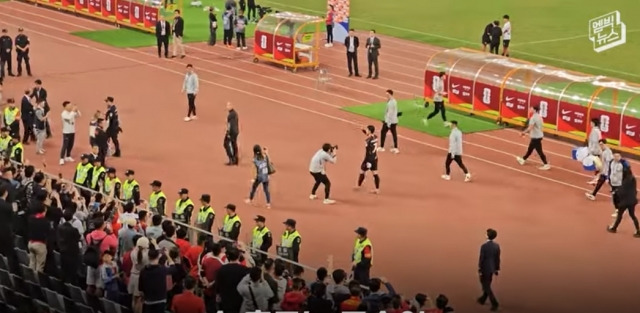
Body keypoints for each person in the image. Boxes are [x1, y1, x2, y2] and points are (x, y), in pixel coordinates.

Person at [607, 166, 640, 237]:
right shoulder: (633, 179)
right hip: (632, 201)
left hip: (624, 202)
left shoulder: (624, 181)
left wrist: (616, 193)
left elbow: (621, 192)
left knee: (619, 215)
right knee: (633, 215)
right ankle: (638, 230)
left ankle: (614, 228)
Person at [139, 248, 174, 313]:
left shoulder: (143, 271)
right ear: (158, 257)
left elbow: (140, 288)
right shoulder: (163, 270)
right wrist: (168, 255)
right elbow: (173, 267)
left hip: (148, 300)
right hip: (161, 300)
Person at [216, 247, 250, 312]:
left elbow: (218, 284)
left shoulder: (221, 269)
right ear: (239, 256)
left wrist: (218, 294)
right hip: (239, 300)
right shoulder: (244, 270)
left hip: (225, 300)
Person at [477, 228, 501, 311]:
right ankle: (482, 299)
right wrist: (497, 269)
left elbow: (482, 258)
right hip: (492, 268)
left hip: (485, 269)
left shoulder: (484, 246)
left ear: (487, 236)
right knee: (487, 284)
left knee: (486, 286)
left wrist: (480, 268)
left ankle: (495, 303)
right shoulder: (496, 246)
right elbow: (497, 258)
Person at [27, 197, 50, 272]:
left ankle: (30, 280)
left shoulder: (31, 218)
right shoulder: (45, 221)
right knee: (39, 268)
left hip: (31, 243)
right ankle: (37, 283)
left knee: (31, 264)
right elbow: (47, 233)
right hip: (40, 245)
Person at [356, 125, 380, 193]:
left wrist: (368, 161)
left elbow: (368, 152)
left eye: (367, 129)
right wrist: (363, 130)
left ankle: (358, 186)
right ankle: (377, 189)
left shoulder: (367, 141)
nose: (366, 130)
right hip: (375, 158)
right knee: (375, 173)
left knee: (362, 171)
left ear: (369, 131)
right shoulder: (375, 137)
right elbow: (369, 136)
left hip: (369, 159)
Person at [60, 101, 81, 165]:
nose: (71, 106)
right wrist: (73, 111)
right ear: (65, 106)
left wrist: (77, 110)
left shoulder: (72, 112)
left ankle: (68, 156)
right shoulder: (63, 114)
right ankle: (61, 158)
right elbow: (69, 117)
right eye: (69, 105)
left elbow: (79, 115)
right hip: (66, 132)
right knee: (65, 145)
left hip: (72, 131)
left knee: (71, 144)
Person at [378, 89, 399, 153]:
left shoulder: (391, 103)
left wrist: (387, 122)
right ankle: (395, 148)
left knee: (383, 132)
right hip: (394, 121)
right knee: (394, 133)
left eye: (387, 94)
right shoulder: (394, 101)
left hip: (389, 121)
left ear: (390, 94)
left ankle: (382, 147)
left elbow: (390, 113)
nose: (386, 96)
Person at [587, 118, 603, 184]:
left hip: (595, 151)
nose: (590, 124)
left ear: (593, 123)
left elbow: (594, 142)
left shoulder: (595, 131)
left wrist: (591, 151)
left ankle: (597, 179)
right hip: (596, 150)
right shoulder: (596, 130)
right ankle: (596, 178)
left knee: (597, 166)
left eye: (591, 123)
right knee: (597, 165)